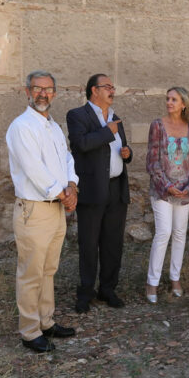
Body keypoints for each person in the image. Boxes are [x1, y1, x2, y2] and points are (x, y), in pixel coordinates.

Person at [6, 70, 78, 353]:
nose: (43, 94)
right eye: (37, 89)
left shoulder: (54, 127)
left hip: (56, 208)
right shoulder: (22, 126)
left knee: (49, 269)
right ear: (27, 92)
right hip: (35, 210)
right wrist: (63, 194)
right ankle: (29, 330)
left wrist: (72, 185)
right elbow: (33, 168)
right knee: (31, 272)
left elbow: (68, 158)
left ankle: (46, 321)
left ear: (55, 94)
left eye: (48, 90)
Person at [67, 73, 133, 313]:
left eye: (113, 87)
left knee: (112, 243)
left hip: (116, 188)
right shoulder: (77, 115)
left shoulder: (116, 117)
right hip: (92, 190)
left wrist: (127, 153)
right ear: (94, 90)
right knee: (88, 243)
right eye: (108, 87)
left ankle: (108, 289)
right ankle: (85, 292)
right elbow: (80, 145)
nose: (112, 91)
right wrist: (108, 131)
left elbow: (119, 149)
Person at [144, 87, 189, 303]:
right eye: (167, 99)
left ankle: (175, 278)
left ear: (183, 104)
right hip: (162, 190)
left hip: (185, 190)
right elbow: (152, 161)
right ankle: (152, 282)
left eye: (174, 99)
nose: (169, 102)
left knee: (179, 233)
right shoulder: (157, 126)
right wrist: (167, 186)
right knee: (163, 232)